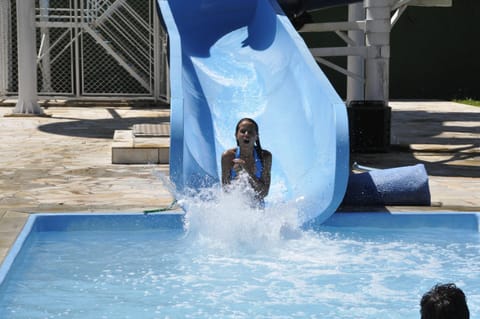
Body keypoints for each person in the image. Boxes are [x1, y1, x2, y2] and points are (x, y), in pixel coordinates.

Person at [221, 118, 272, 204]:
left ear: (256, 137)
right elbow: (226, 192)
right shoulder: (228, 157)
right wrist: (238, 178)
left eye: (250, 132)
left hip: (257, 209)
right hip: (236, 208)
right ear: (236, 135)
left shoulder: (265, 157)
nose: (246, 134)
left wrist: (247, 172)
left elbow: (264, 193)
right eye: (243, 131)